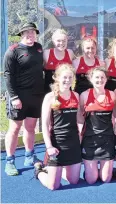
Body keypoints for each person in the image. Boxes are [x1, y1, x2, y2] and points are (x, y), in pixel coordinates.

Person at [3, 22, 44, 176]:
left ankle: (29, 156)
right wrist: (14, 97)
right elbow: (8, 75)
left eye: (32, 32)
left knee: (31, 127)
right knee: (14, 129)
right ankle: (10, 161)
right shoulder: (12, 51)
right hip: (18, 97)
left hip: (35, 96)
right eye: (26, 33)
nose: (30, 35)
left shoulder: (39, 48)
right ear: (21, 35)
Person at [34, 64, 81, 190]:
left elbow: (79, 120)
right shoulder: (49, 97)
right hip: (57, 145)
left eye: (70, 77)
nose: (67, 80)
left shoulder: (76, 96)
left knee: (74, 181)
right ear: (57, 78)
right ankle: (39, 171)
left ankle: (57, 171)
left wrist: (81, 139)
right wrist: (49, 146)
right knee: (53, 186)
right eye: (64, 77)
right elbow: (44, 124)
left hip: (73, 143)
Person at [77, 66, 116, 184]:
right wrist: (80, 131)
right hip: (90, 140)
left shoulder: (112, 95)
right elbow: (79, 115)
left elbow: (115, 114)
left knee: (106, 179)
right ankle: (91, 171)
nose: (99, 80)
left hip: (107, 140)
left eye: (102, 77)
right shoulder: (84, 95)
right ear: (91, 79)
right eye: (97, 77)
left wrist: (115, 129)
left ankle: (107, 169)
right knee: (91, 180)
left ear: (106, 79)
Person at [43, 29, 74, 93]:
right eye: (58, 41)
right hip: (50, 91)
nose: (61, 43)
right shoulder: (47, 53)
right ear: (53, 41)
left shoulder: (70, 53)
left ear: (67, 41)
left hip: (66, 91)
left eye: (64, 41)